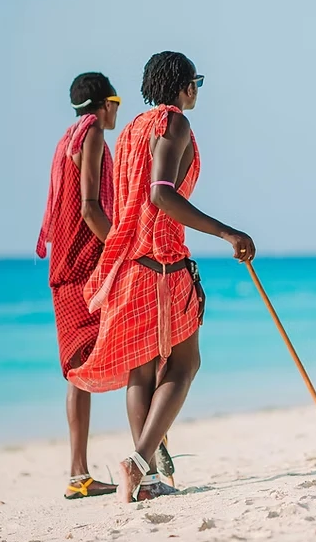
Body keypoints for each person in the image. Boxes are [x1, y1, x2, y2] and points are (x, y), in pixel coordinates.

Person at [69, 51, 256, 502]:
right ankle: (138, 462)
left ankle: (149, 479)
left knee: (141, 371)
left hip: (127, 261)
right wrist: (229, 233)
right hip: (161, 260)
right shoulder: (175, 124)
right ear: (184, 85)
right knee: (184, 364)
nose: (197, 90)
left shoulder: (131, 128)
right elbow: (162, 195)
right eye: (197, 82)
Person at [35, 72, 121, 499]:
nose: (118, 112)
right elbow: (90, 209)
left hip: (65, 265)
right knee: (139, 347)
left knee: (77, 370)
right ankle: (153, 453)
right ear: (104, 104)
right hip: (86, 266)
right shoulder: (90, 138)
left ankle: (78, 476)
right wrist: (123, 246)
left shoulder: (68, 135)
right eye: (116, 101)